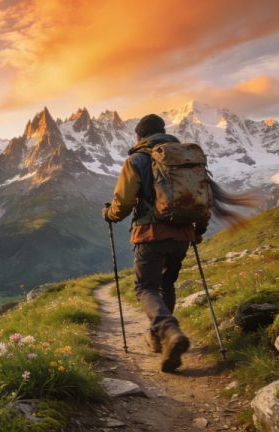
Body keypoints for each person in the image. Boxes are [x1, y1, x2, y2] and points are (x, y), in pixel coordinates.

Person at [102, 113, 201, 372]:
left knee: (146, 287)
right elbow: (202, 197)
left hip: (151, 234)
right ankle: (160, 340)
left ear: (139, 136)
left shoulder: (136, 159)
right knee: (167, 283)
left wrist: (109, 214)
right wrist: (197, 231)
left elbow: (123, 204)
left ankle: (169, 332)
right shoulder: (187, 158)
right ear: (163, 131)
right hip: (182, 235)